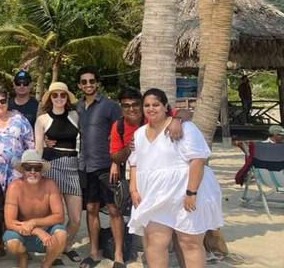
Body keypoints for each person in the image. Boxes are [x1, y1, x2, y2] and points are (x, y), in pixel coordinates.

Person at [129, 89, 223, 268]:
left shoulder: (184, 127)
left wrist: (191, 192)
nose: (151, 109)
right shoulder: (139, 134)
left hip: (184, 192)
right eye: (147, 105)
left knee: (189, 242)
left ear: (165, 107)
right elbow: (134, 164)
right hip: (154, 196)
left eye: (156, 104)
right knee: (154, 242)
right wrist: (133, 189)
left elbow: (197, 159)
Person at [74, 66, 126, 268]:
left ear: (97, 83)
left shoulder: (110, 106)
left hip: (108, 165)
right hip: (86, 166)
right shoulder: (77, 107)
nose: (88, 85)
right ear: (79, 85)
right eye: (84, 82)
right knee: (91, 208)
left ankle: (119, 256)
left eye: (91, 81)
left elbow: (119, 135)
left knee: (114, 209)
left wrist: (115, 162)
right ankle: (94, 253)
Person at [33, 81, 82, 264]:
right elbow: (38, 148)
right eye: (55, 95)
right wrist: (36, 172)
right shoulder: (42, 119)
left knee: (76, 218)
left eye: (63, 95)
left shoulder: (75, 115)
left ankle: (65, 246)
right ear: (50, 98)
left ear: (67, 97)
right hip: (50, 166)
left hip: (72, 165)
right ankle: (53, 251)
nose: (59, 98)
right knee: (54, 216)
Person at [3, 150, 67, 268]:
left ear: (41, 170)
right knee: (11, 244)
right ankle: (23, 255)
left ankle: (47, 263)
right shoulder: (14, 187)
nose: (33, 172)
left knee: (61, 234)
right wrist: (36, 230)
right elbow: (9, 222)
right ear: (22, 169)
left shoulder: (50, 184)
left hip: (46, 230)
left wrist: (34, 222)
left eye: (37, 168)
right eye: (28, 167)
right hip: (23, 231)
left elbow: (60, 216)